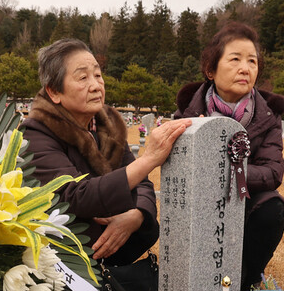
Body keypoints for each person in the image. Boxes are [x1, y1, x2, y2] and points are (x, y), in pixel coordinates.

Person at [20, 38, 191, 265]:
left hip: (111, 262)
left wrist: (137, 215)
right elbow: (75, 195)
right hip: (63, 266)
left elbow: (143, 184)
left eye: (98, 75)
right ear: (54, 92)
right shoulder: (36, 134)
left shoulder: (107, 125)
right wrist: (149, 159)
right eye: (82, 77)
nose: (95, 85)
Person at [174, 22, 284, 291]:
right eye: (235, 59)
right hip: (201, 200)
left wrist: (231, 170)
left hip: (246, 199)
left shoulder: (267, 114)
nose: (245, 68)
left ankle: (246, 280)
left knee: (274, 208)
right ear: (211, 70)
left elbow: (273, 171)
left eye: (252, 61)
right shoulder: (190, 110)